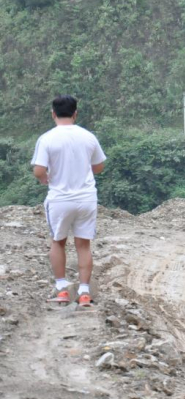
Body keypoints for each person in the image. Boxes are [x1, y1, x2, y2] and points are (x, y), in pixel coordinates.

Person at [31, 95, 106, 307]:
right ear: (75, 113)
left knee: (58, 242)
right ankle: (83, 292)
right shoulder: (88, 136)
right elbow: (99, 166)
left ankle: (62, 289)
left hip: (60, 199)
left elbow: (38, 169)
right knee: (83, 245)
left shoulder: (47, 139)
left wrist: (43, 178)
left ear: (53, 113)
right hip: (86, 198)